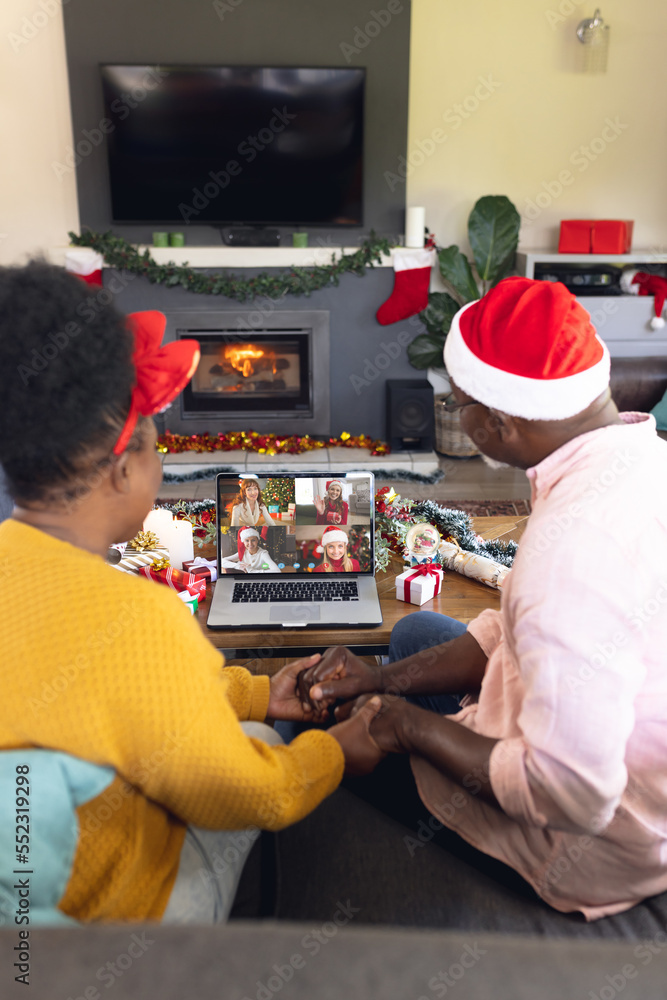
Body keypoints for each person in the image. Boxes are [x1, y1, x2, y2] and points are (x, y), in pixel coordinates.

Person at [0, 261, 380, 925]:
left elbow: (102, 699)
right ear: (124, 468)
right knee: (270, 751)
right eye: (157, 447)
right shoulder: (134, 620)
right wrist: (331, 753)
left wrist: (258, 691)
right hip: (101, 920)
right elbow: (250, 796)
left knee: (259, 721)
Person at [292, 277, 667, 928]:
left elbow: (573, 796)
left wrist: (397, 723)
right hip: (611, 743)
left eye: (457, 402)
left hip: (587, 840)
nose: (453, 412)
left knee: (305, 735)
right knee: (414, 639)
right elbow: (508, 631)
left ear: (496, 423)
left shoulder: (572, 551)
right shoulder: (636, 460)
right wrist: (378, 678)